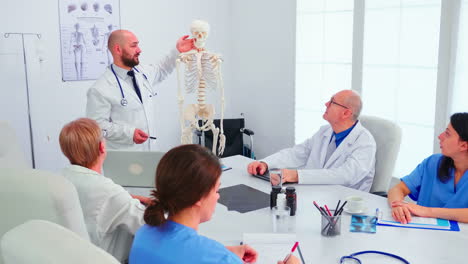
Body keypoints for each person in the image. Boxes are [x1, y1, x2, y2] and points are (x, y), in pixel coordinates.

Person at [129, 144, 299, 264]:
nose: (218, 197)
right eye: (217, 190)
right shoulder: (219, 259)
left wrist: (224, 252)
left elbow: (181, 251)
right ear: (198, 197)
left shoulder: (143, 234)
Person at [247, 90, 376, 192]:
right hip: (314, 195)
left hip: (343, 204)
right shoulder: (324, 132)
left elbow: (345, 176)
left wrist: (297, 176)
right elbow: (296, 153)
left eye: (332, 102)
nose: (326, 104)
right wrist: (265, 163)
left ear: (346, 113)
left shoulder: (365, 142)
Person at [86, 29, 195, 150]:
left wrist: (177, 51)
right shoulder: (100, 89)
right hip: (124, 157)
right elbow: (96, 127)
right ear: (118, 49)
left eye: (137, 44)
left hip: (149, 150)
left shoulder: (142, 73)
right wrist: (129, 133)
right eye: (133, 46)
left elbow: (161, 69)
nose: (139, 50)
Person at [59, 118, 150, 262]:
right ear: (102, 147)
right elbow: (150, 225)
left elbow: (91, 199)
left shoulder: (59, 179)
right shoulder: (109, 192)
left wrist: (128, 197)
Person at [388, 112, 468, 224]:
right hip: (421, 234)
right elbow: (397, 189)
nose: (440, 136)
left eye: (447, 134)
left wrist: (427, 211)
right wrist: (398, 206)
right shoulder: (433, 163)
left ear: (464, 146)